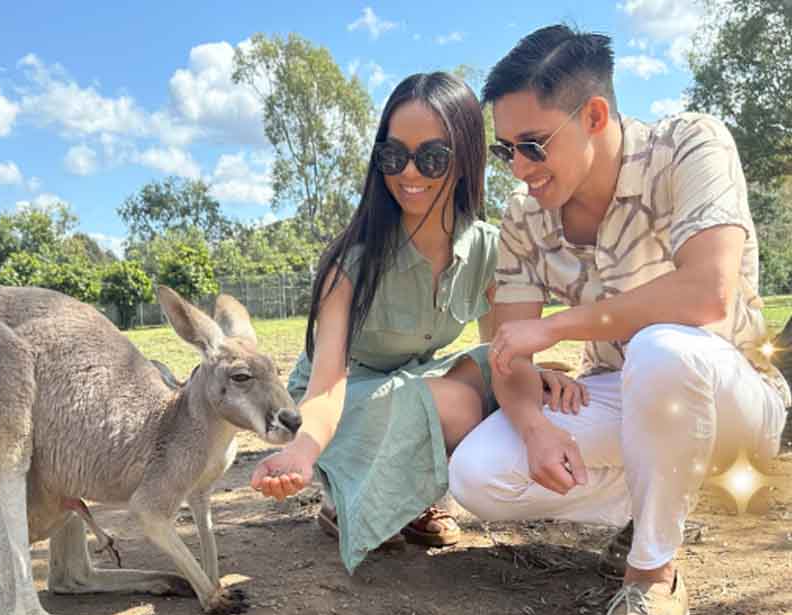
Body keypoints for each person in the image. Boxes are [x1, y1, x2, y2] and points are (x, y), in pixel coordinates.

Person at [448, 25, 791, 615]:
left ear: (595, 115)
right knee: (477, 475)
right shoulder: (525, 218)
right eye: (506, 152)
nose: (519, 170)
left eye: (533, 145)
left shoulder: (690, 145)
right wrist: (531, 425)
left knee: (663, 350)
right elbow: (511, 355)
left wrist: (555, 327)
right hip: (623, 396)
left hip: (732, 395)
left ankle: (653, 576)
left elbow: (707, 293)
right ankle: (663, 496)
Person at [250, 72, 585, 574]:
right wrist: (301, 450)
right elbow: (326, 387)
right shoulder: (350, 262)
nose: (410, 172)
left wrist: (531, 380)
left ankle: (409, 494)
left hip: (411, 383)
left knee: (521, 380)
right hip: (345, 403)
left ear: (467, 158)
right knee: (456, 403)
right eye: (393, 155)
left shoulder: (493, 249)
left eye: (432, 157)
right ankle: (349, 497)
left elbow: (503, 357)